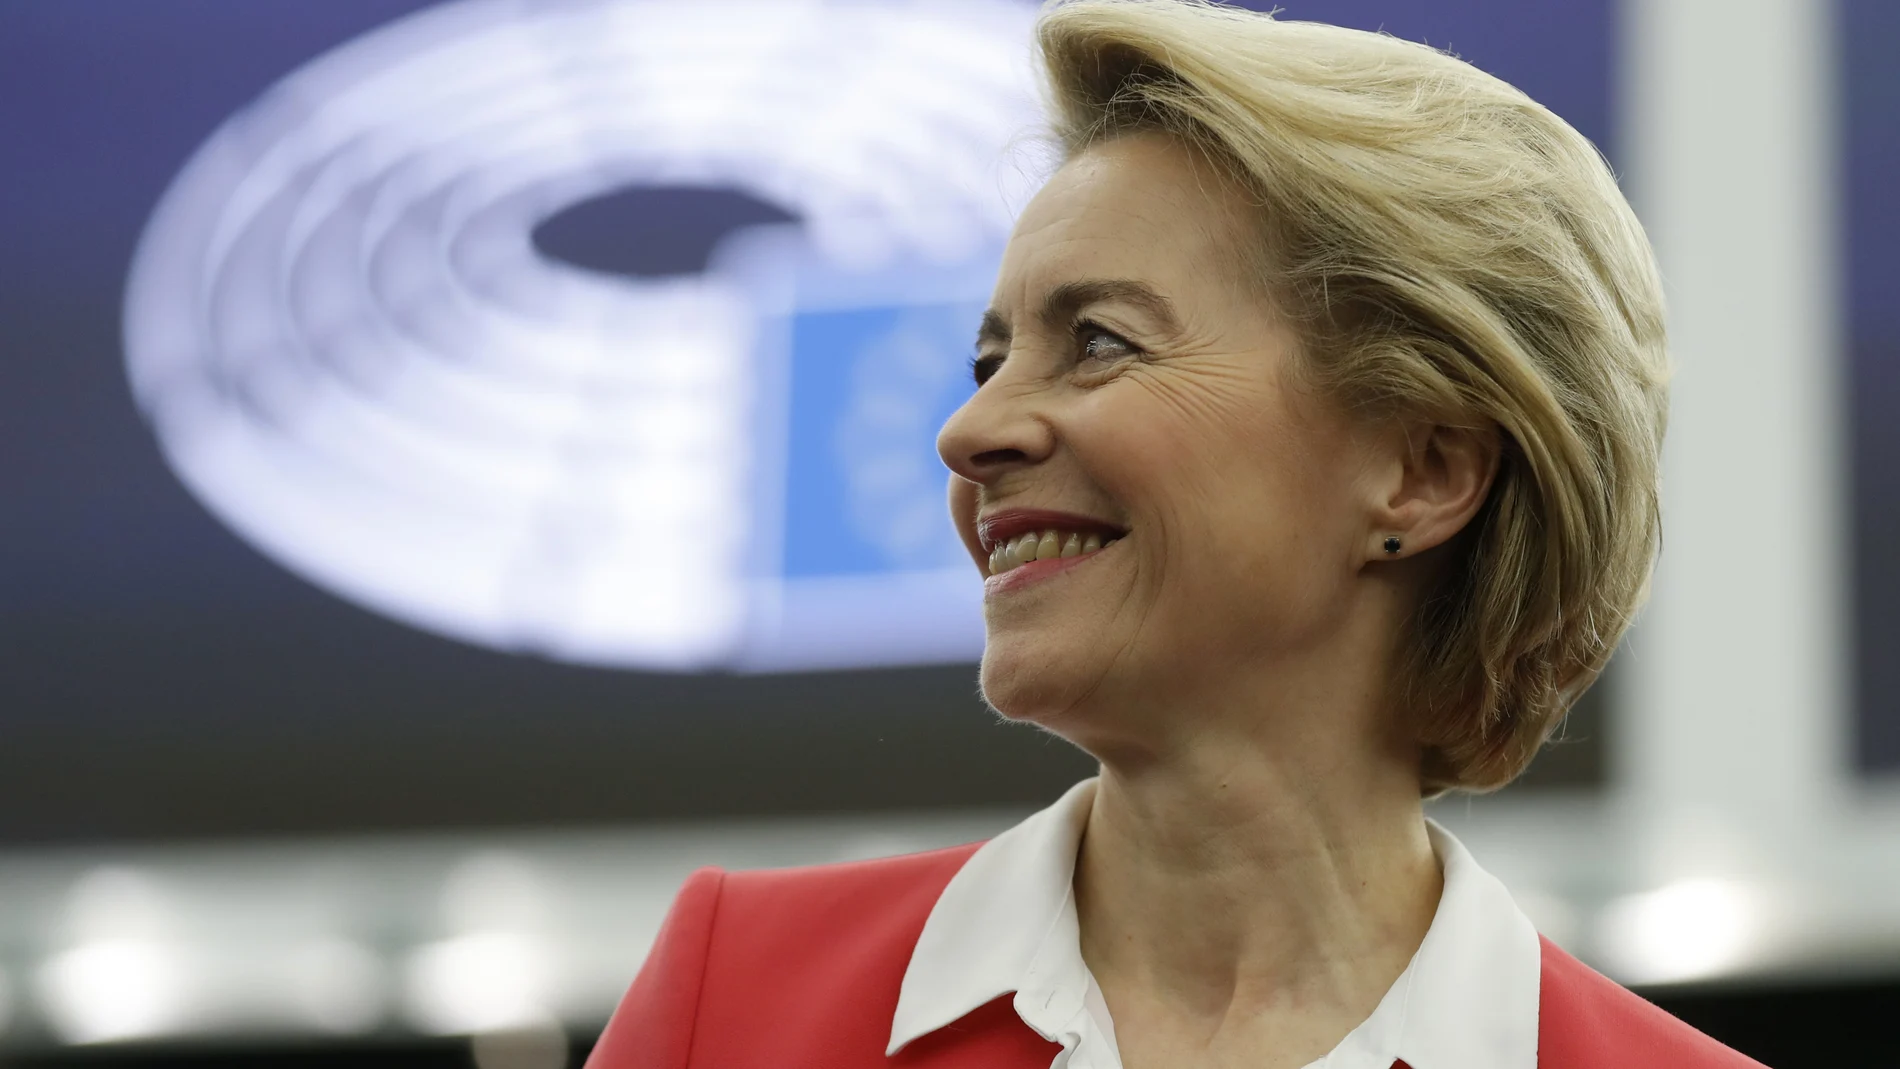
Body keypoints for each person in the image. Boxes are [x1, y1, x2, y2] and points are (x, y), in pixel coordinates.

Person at [586, 1, 1765, 1066]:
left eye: (1099, 341)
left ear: (1422, 471)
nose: (968, 430)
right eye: (989, 361)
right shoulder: (730, 1000)